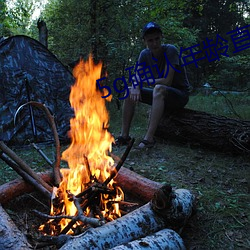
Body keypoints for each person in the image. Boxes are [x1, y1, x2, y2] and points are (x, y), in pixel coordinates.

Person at [115, 21, 191, 148]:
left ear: (161, 37)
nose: (154, 43)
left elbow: (167, 81)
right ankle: (124, 136)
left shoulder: (170, 50)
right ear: (145, 41)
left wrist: (142, 82)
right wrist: (135, 85)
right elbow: (137, 75)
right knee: (129, 91)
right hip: (160, 94)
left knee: (159, 88)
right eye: (150, 40)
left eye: (157, 39)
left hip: (179, 95)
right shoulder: (144, 54)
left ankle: (149, 138)